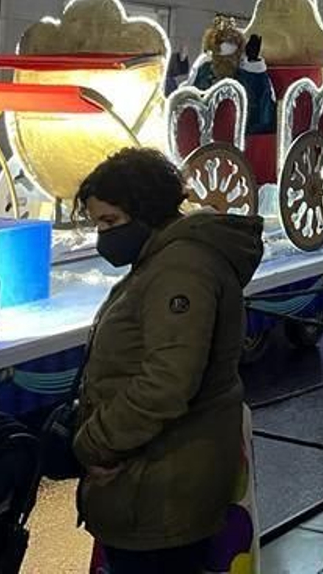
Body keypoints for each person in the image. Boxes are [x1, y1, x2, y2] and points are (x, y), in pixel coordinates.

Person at [73, 147, 263, 574]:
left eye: (110, 222)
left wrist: (95, 443)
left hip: (161, 484)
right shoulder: (165, 259)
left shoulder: (181, 269)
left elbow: (167, 382)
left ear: (145, 210)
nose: (104, 236)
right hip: (156, 477)